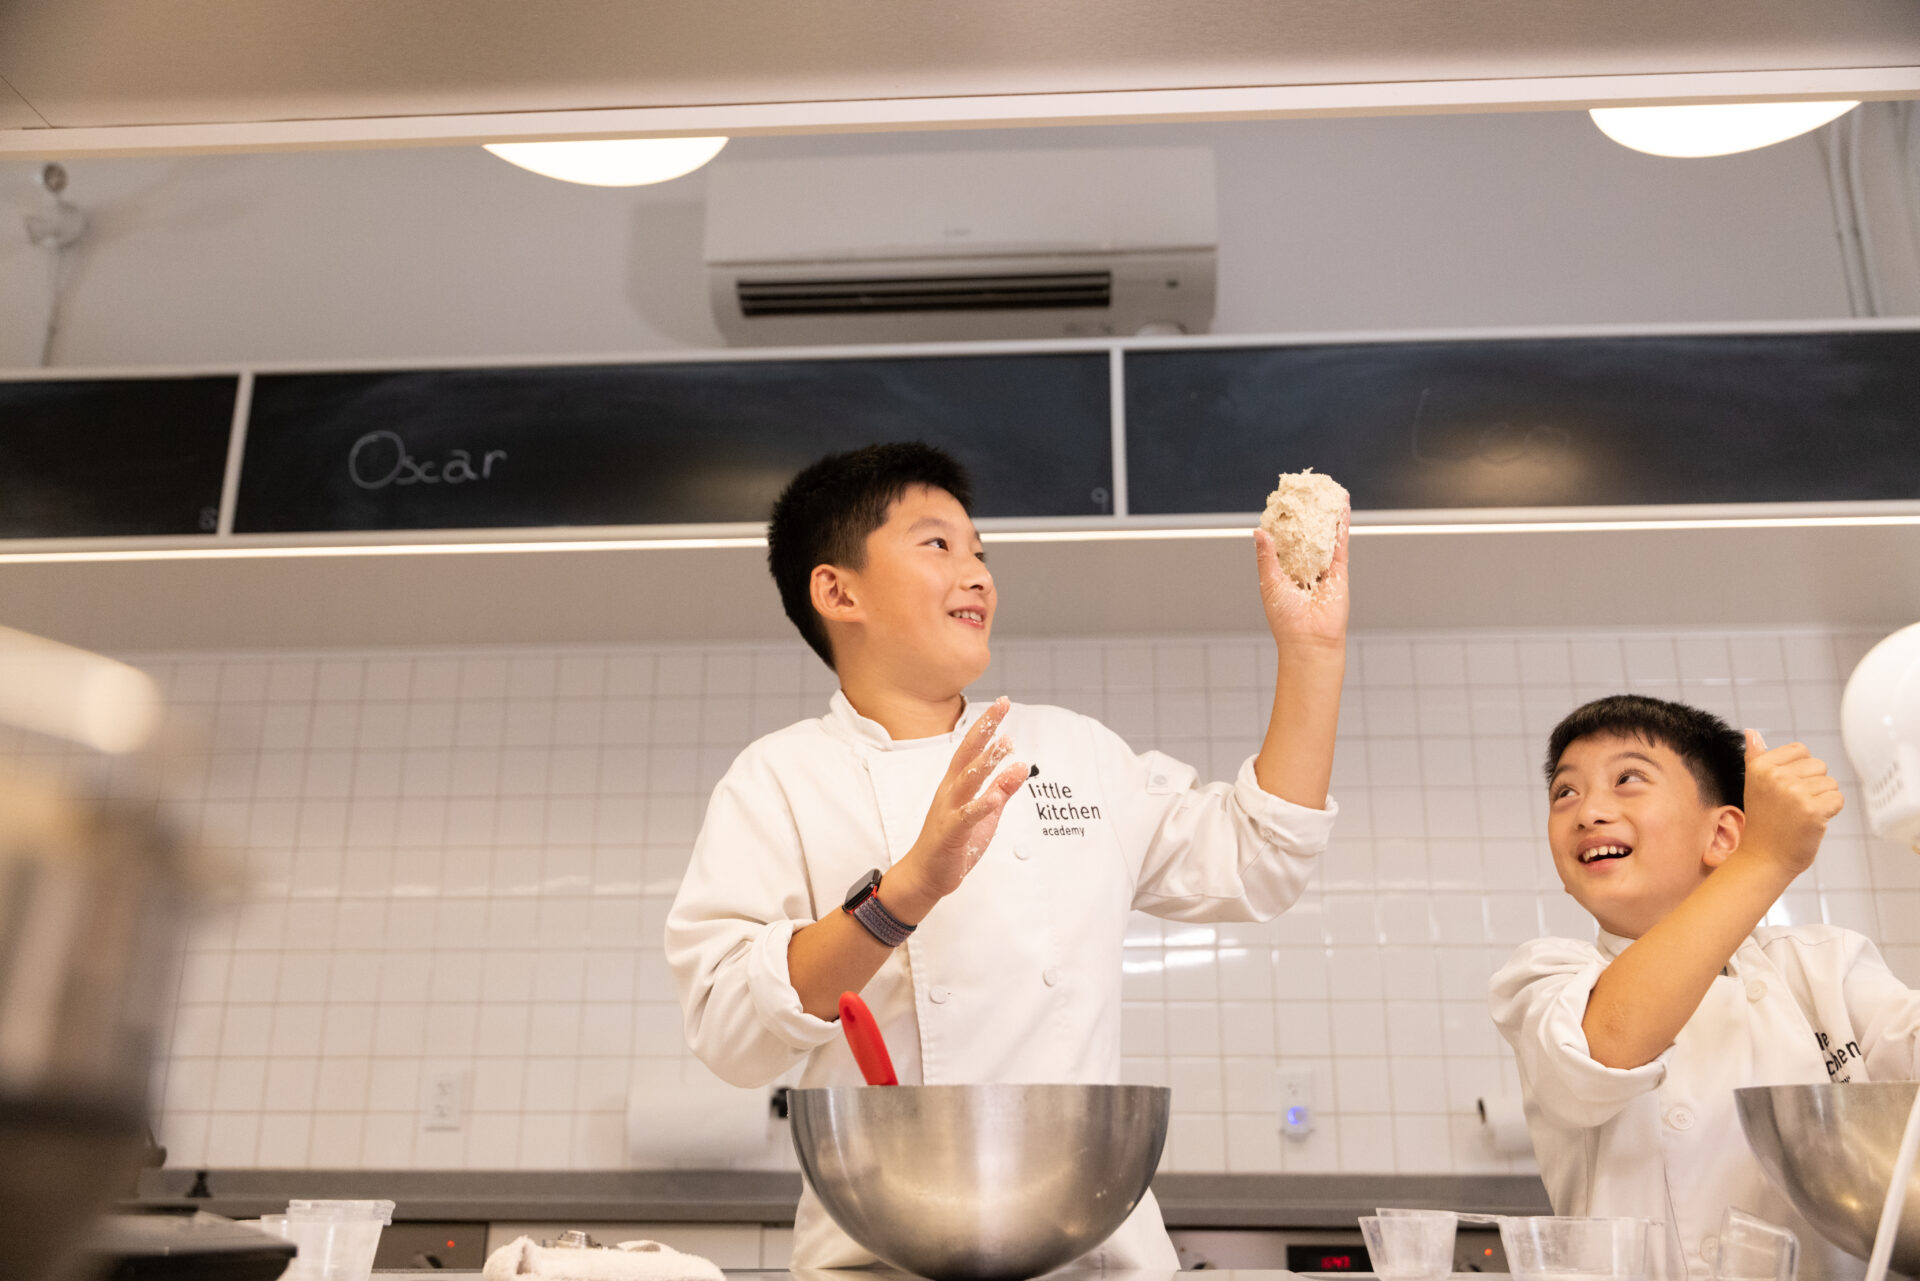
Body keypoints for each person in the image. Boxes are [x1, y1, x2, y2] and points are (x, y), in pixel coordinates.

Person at [666, 442, 1348, 1271]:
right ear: (837, 589)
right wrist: (902, 894)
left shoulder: (1073, 751)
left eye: (980, 552)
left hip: (1095, 1253)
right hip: (876, 1257)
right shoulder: (778, 779)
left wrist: (1312, 651)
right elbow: (731, 1030)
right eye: (938, 545)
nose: (979, 574)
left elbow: (1260, 855)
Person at [1490, 694, 1920, 1281]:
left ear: (1721, 836)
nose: (1587, 810)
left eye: (1628, 779)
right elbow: (1608, 1041)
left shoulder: (1824, 966)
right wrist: (1768, 857)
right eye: (1565, 792)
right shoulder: (1545, 976)